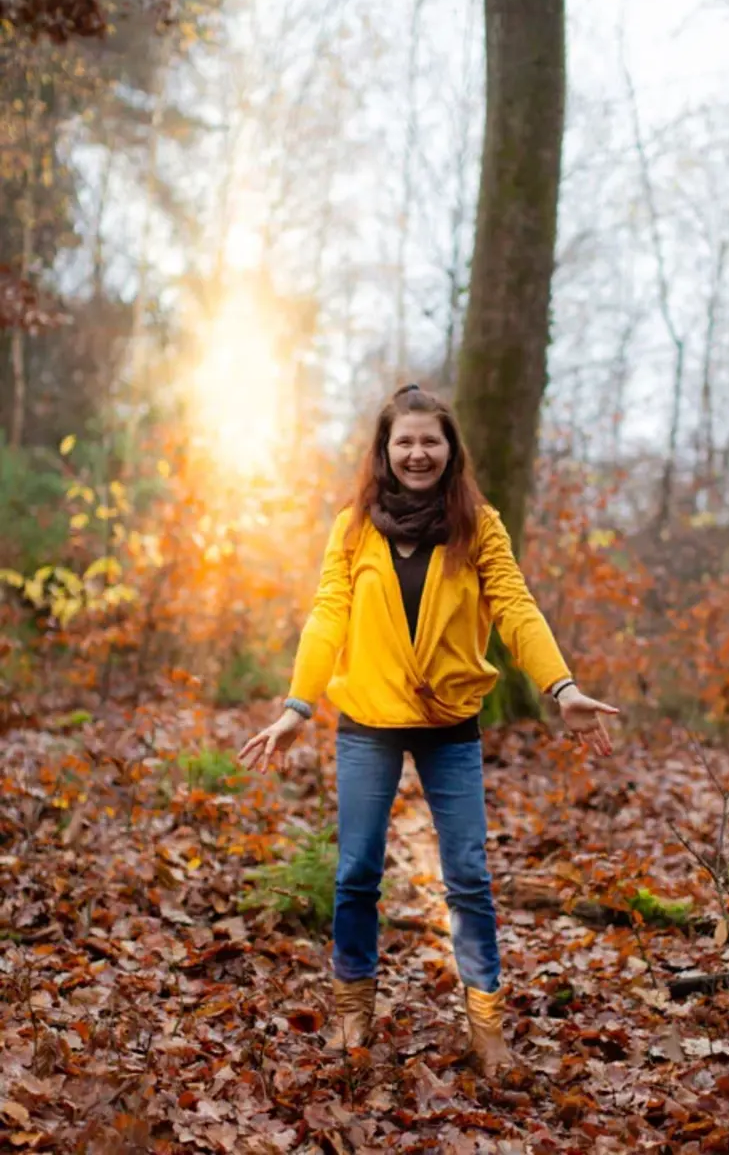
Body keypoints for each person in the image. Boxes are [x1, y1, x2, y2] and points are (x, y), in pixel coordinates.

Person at [238, 384, 618, 1077]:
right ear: (385, 450)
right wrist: (298, 706)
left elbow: (515, 608)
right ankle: (352, 1009)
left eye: (430, 441)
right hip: (368, 719)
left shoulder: (480, 526)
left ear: (450, 449)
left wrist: (560, 687)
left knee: (468, 875)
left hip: (450, 721)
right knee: (357, 872)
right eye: (405, 441)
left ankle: (486, 1024)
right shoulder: (354, 527)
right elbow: (327, 614)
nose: (418, 453)